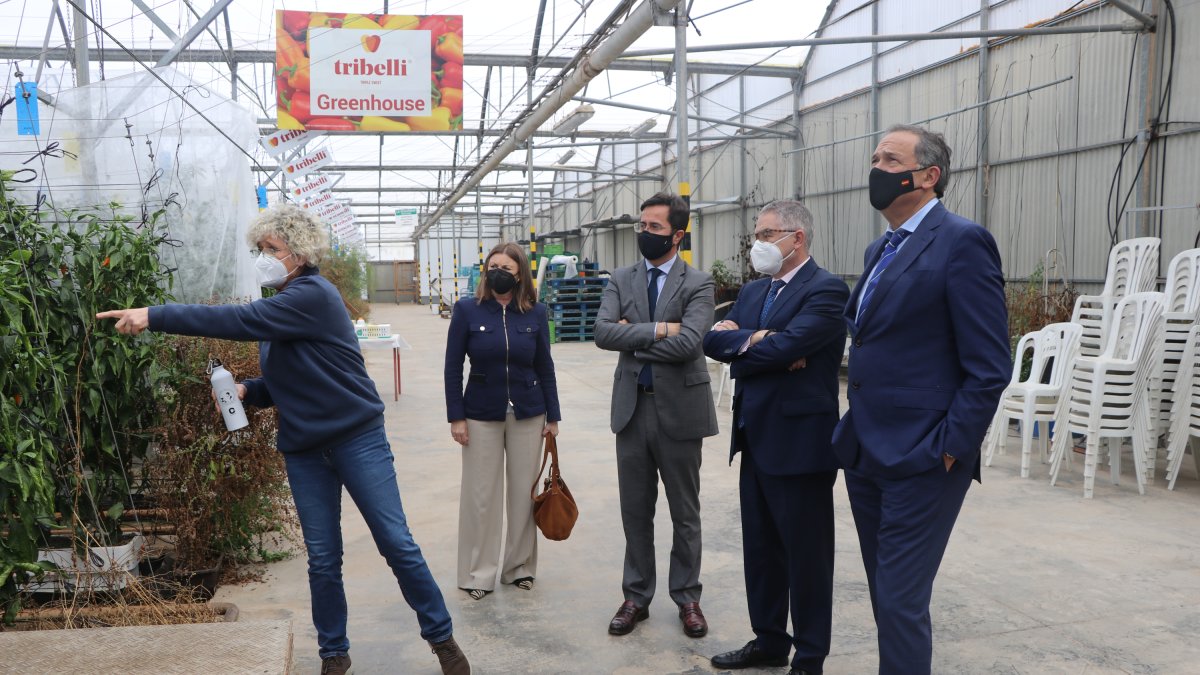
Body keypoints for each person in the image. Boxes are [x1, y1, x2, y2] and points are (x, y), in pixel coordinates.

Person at [97, 204, 470, 675]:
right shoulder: (283, 306)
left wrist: (154, 314)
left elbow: (235, 321)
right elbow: (290, 376)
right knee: (322, 558)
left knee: (396, 543)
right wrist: (249, 391)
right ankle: (334, 655)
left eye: (271, 249)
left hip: (357, 439)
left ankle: (442, 640)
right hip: (305, 449)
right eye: (259, 249)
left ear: (299, 252)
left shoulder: (313, 295)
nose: (263, 257)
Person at [832, 124, 1010, 674]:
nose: (876, 168)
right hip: (866, 449)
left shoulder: (962, 242)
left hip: (924, 454)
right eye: (875, 157)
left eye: (890, 159)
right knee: (887, 593)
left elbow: (989, 366)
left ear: (928, 175)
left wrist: (951, 447)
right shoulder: (881, 247)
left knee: (902, 600)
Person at [703, 200, 849, 675]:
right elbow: (712, 341)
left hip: (801, 444)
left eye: (767, 235)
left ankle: (809, 656)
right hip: (755, 437)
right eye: (758, 235)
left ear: (796, 238)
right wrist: (762, 342)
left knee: (806, 557)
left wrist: (750, 342)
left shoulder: (825, 289)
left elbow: (792, 344)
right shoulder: (753, 292)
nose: (758, 244)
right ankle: (769, 640)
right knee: (762, 551)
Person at [594, 191, 718, 638]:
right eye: (641, 226)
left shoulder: (698, 282)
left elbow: (691, 344)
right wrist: (663, 328)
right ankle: (635, 596)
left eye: (654, 227)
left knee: (685, 512)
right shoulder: (622, 278)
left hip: (680, 412)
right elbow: (603, 333)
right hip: (632, 409)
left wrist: (635, 335)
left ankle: (687, 598)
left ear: (677, 234)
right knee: (635, 510)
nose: (644, 233)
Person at [444, 242, 561, 601]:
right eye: (493, 266)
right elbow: (452, 368)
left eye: (507, 268)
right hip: (480, 414)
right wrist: (456, 417)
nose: (499, 272)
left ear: (520, 274)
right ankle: (478, 573)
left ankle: (519, 567)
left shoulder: (535, 313)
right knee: (481, 497)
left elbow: (545, 366)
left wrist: (553, 415)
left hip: (529, 411)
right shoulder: (467, 310)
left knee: (523, 495)